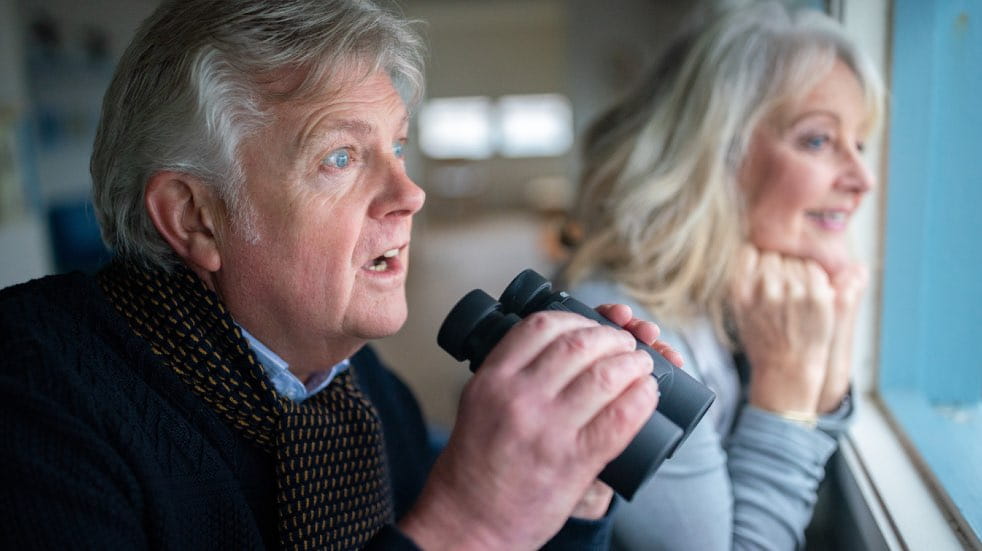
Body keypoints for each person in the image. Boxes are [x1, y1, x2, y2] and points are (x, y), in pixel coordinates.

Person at [0, 1, 684, 549]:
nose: (410, 194)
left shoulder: (370, 392)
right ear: (195, 217)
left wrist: (570, 496)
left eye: (395, 147)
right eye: (340, 158)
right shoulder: (31, 392)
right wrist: (472, 527)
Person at [560, 1, 885, 549]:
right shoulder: (629, 335)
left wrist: (825, 375)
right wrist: (787, 385)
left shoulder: (753, 305)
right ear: (718, 156)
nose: (863, 178)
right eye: (817, 140)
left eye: (860, 144)